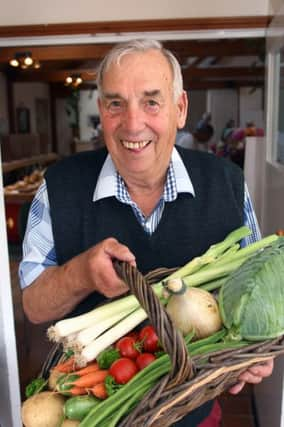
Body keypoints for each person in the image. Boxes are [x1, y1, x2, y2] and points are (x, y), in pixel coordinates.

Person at [19, 39, 273, 427]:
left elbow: (254, 291)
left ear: (181, 108)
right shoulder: (59, 188)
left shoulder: (227, 184)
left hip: (193, 413)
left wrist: (254, 351)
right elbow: (35, 306)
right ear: (102, 110)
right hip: (91, 413)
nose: (133, 124)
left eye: (151, 101)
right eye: (116, 103)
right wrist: (83, 273)